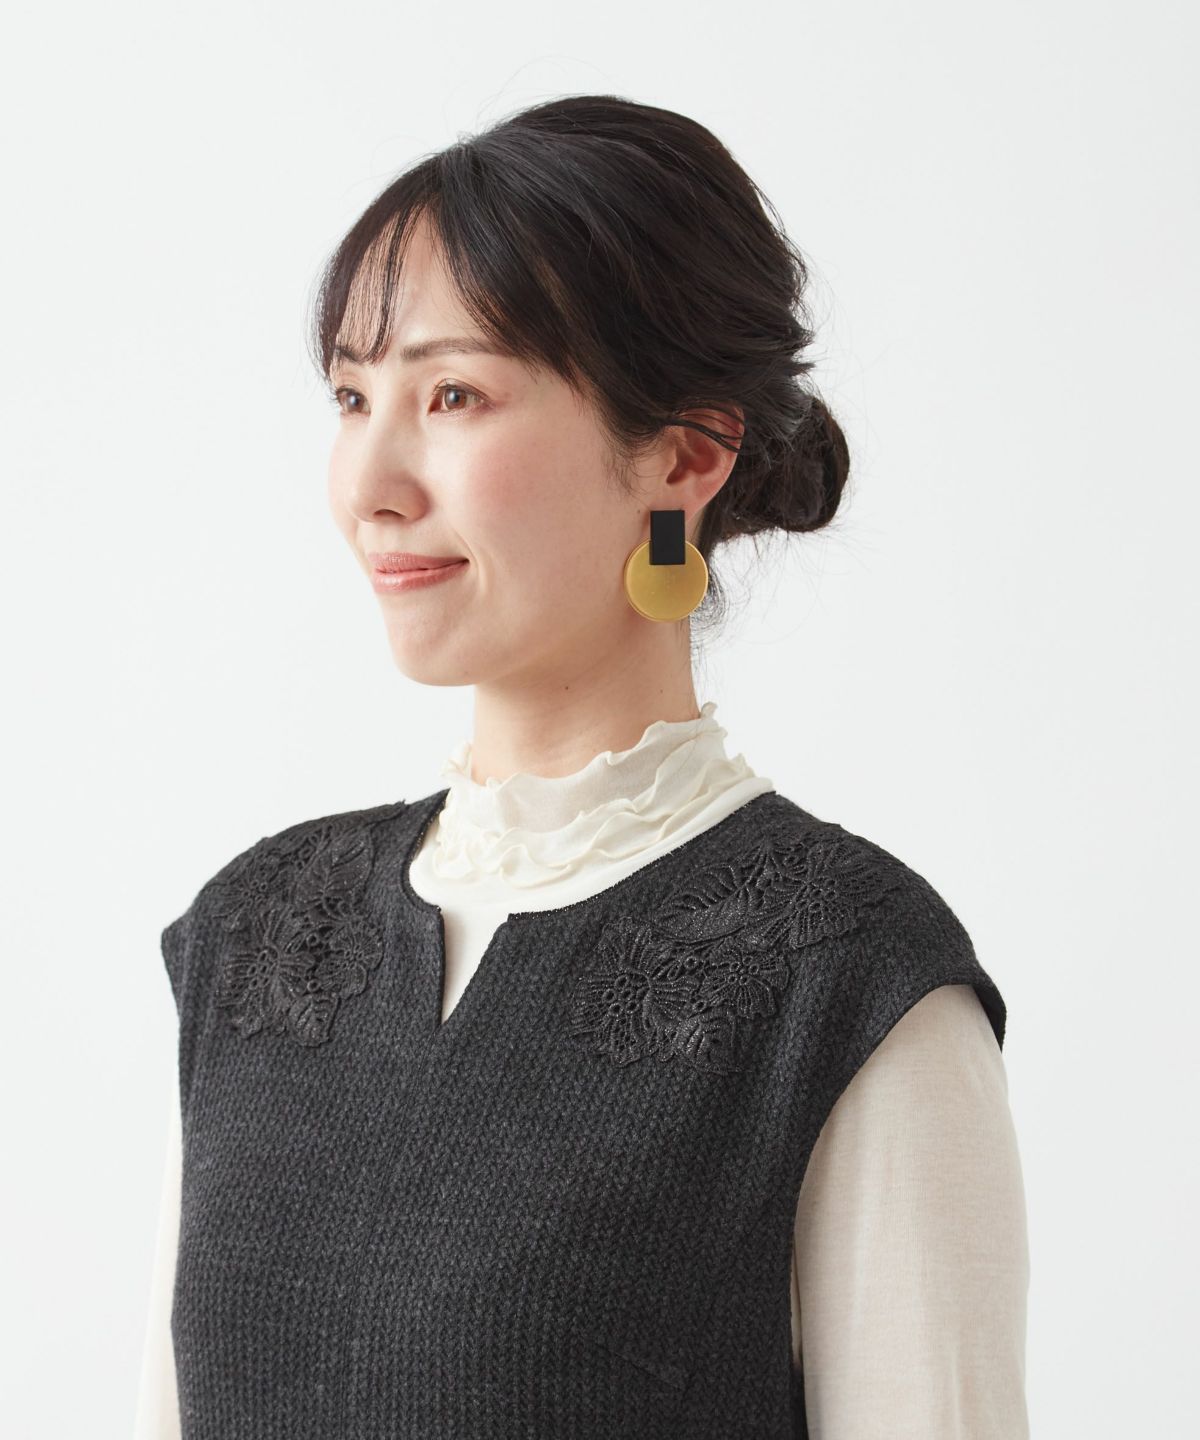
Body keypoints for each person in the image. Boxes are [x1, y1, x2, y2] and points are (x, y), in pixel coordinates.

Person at [134, 94, 1029, 1439]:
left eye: (452, 395)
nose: (370, 482)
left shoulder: (848, 984)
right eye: (353, 398)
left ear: (684, 456)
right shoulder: (257, 939)